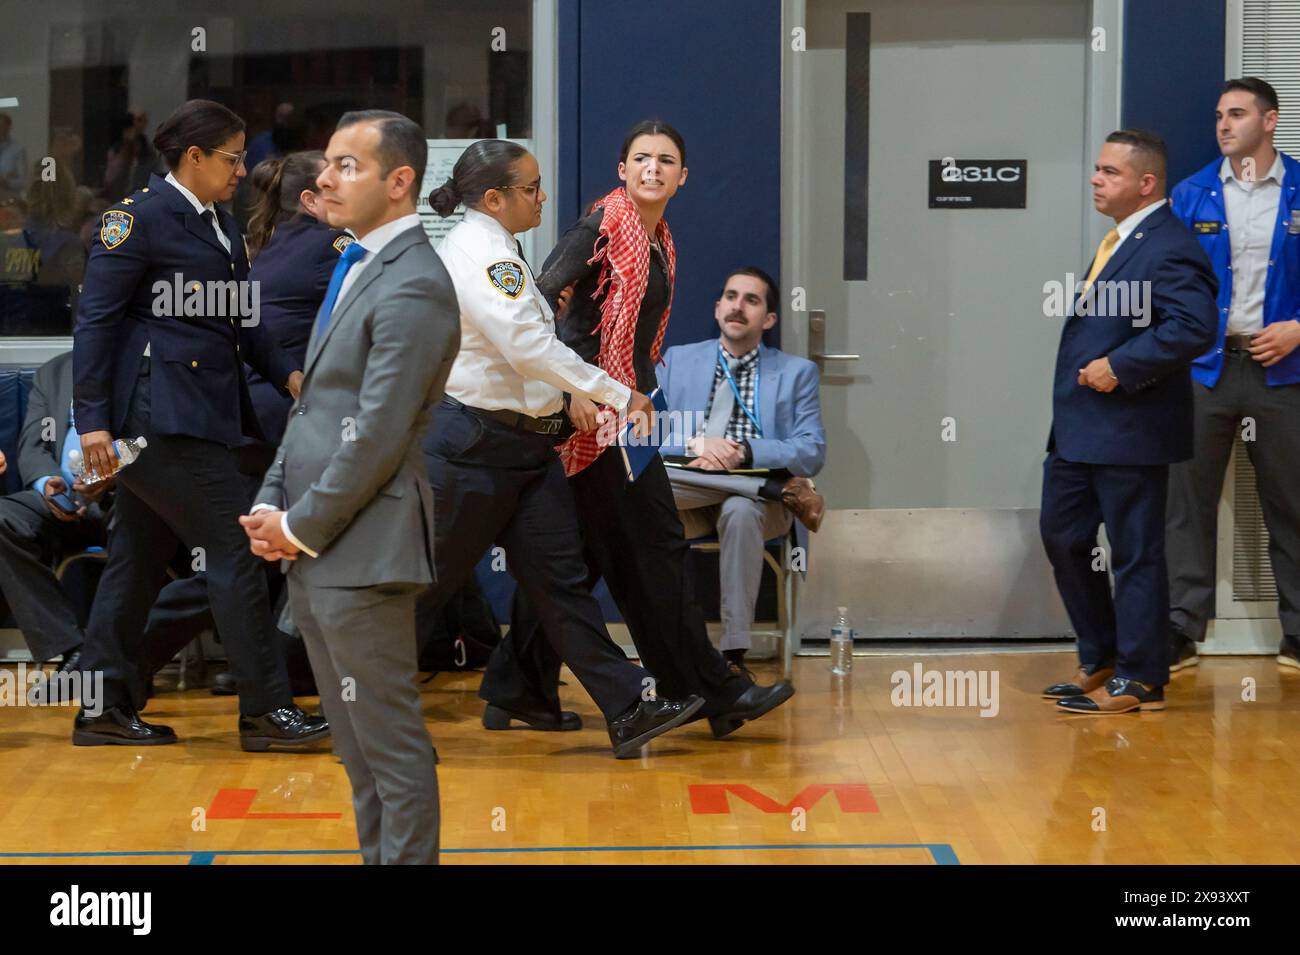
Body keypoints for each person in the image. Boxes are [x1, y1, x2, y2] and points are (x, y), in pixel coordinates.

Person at [490, 121, 793, 739]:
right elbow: (540, 300)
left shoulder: (659, 239)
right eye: (641, 158)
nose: (652, 168)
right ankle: (714, 690)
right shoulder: (604, 223)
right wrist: (572, 387)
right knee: (656, 548)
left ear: (683, 177)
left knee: (578, 560)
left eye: (666, 160)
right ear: (622, 169)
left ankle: (518, 687)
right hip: (592, 420)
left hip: (624, 412)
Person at [420, 138, 705, 754]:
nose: (543, 197)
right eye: (531, 188)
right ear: (494, 199)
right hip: (475, 450)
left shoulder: (502, 249)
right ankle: (350, 699)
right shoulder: (480, 254)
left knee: (560, 583)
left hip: (525, 451)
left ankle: (628, 708)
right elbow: (527, 347)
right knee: (424, 585)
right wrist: (614, 391)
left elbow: (528, 342)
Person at [70, 99, 327, 750]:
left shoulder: (216, 223)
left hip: (196, 415)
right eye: (233, 157)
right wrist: (92, 423)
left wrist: (289, 375)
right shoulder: (137, 220)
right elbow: (96, 322)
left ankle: (101, 705)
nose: (244, 169)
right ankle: (267, 712)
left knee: (135, 561)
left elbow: (242, 318)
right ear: (194, 158)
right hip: (155, 421)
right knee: (236, 551)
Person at [240, 110, 459, 865]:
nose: (324, 179)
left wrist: (300, 525)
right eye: (327, 163)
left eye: (346, 166)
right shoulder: (355, 263)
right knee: (358, 755)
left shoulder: (419, 283)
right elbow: (313, 409)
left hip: (362, 549)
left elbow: (378, 431)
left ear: (399, 182)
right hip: (317, 545)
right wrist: (272, 502)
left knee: (391, 754)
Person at [143, 150, 351, 696]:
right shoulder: (330, 247)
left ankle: (130, 667)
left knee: (246, 554)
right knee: (262, 550)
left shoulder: (268, 243)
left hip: (253, 419)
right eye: (337, 181)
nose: (347, 189)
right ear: (310, 200)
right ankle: (266, 676)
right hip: (280, 427)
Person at [1040, 129, 1218, 715]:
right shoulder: (1119, 240)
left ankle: (1143, 677)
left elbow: (1193, 327)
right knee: (1063, 537)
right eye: (1096, 168)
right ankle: (1104, 657)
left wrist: (1119, 365)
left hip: (1132, 428)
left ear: (1146, 183)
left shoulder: (1170, 243)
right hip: (1078, 431)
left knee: (1136, 554)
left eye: (1110, 172)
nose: (1095, 179)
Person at [1166, 77, 1300, 672]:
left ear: (1270, 122)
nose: (1223, 125)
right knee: (1185, 503)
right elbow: (1163, 282)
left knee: (1292, 502)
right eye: (1219, 115)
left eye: (1237, 114)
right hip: (1204, 371)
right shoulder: (1191, 194)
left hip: (1285, 370)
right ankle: (1180, 629)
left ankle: (1297, 632)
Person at [657, 266, 827, 675]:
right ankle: (776, 489)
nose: (738, 306)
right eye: (731, 297)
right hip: (689, 494)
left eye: (752, 300)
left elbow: (811, 451)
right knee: (643, 480)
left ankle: (733, 657)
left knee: (739, 510)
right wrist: (699, 444)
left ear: (768, 319)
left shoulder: (795, 373)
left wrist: (745, 453)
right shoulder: (677, 360)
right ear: (717, 309)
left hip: (752, 508)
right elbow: (648, 432)